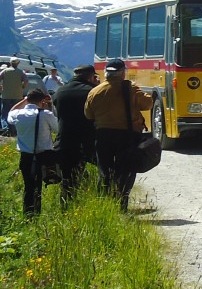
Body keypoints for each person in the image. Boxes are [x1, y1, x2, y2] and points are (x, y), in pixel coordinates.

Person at [84, 58, 152, 211]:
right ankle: (122, 203)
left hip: (103, 135)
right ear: (123, 73)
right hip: (128, 136)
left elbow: (88, 115)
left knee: (105, 170)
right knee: (127, 170)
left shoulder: (95, 91)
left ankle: (106, 204)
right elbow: (147, 104)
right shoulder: (131, 88)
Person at [6, 89, 59, 216]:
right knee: (38, 185)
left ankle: (28, 212)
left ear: (28, 100)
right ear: (42, 101)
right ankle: (36, 211)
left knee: (28, 185)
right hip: (43, 155)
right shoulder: (46, 114)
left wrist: (24, 100)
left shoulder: (18, 114)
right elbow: (57, 129)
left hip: (26, 156)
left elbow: (9, 114)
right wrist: (50, 106)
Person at [52, 64, 99, 203]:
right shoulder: (91, 92)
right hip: (86, 141)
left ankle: (65, 205)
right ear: (91, 76)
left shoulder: (60, 91)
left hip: (64, 140)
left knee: (67, 179)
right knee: (107, 171)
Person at [0, 59, 25, 135]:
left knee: (5, 113)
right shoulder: (21, 72)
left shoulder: (5, 71)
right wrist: (22, 87)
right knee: (16, 113)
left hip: (6, 95)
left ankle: (6, 128)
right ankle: (14, 130)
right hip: (17, 95)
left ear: (10, 63)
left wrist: (1, 87)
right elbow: (26, 80)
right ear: (18, 63)